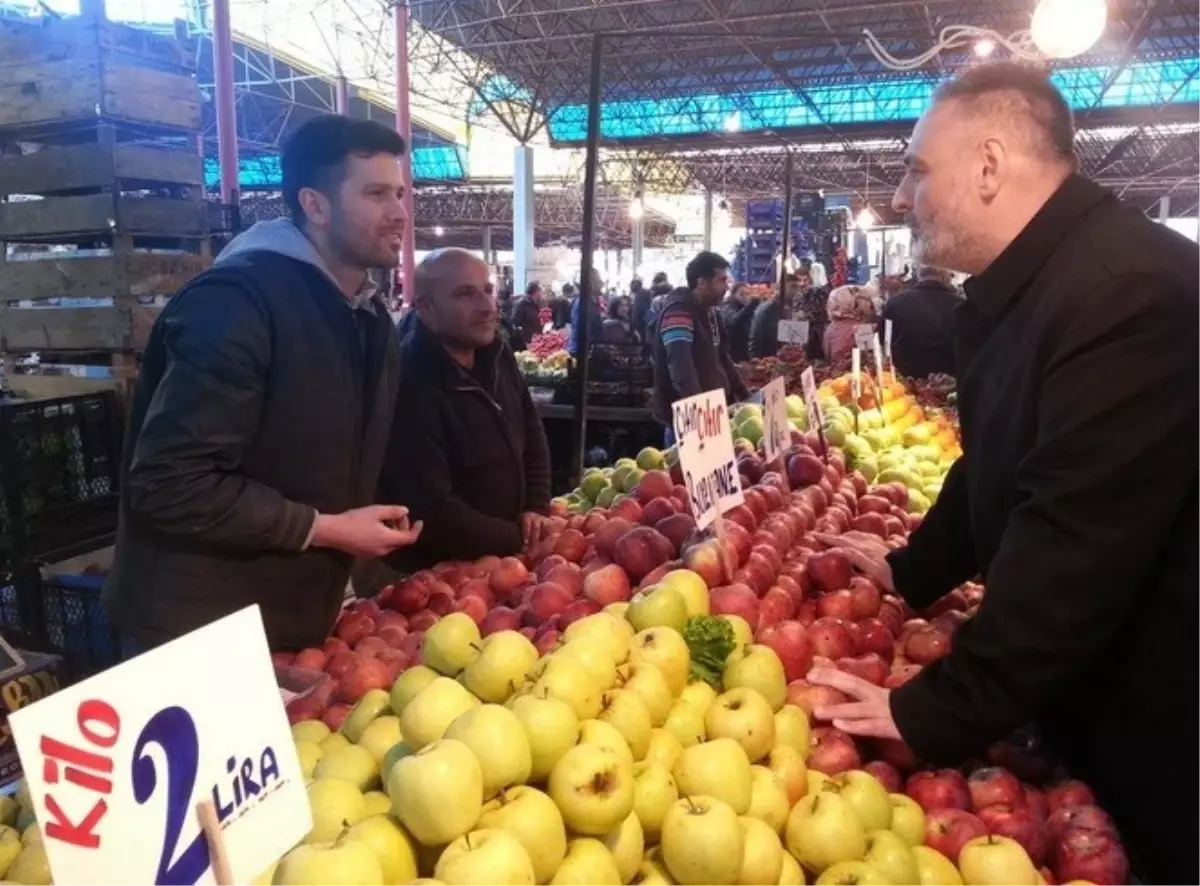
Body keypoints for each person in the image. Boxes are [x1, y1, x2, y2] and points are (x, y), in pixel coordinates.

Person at [807, 61, 1200, 883]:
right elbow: (997, 460)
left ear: (987, 166)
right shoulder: (1027, 291)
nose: (907, 196)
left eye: (918, 170)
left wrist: (935, 711)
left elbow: (1075, 544)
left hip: (1166, 718)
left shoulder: (1123, 294)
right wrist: (915, 570)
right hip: (1087, 691)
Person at [103, 115, 422, 652]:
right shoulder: (235, 304)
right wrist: (326, 529)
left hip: (287, 623)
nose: (399, 213)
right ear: (314, 205)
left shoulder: (366, 317)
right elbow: (169, 483)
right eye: (375, 194)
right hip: (194, 635)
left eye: (399, 193)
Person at [377, 248, 551, 572]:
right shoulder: (410, 384)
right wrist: (517, 538)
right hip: (436, 576)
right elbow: (433, 510)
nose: (487, 307)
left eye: (488, 290)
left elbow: (531, 430)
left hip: (505, 564)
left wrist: (536, 506)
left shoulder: (498, 355)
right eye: (465, 294)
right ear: (426, 309)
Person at [652, 251, 750, 440]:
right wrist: (700, 412)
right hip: (687, 423)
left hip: (713, 413)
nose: (727, 287)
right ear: (702, 282)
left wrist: (743, 394)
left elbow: (722, 356)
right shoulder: (678, 313)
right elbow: (681, 370)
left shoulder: (712, 312)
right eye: (721, 281)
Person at [878, 265, 961, 378]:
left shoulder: (895, 302)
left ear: (919, 275)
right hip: (947, 383)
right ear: (945, 276)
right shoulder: (960, 305)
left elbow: (883, 340)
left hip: (903, 382)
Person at [749, 271, 810, 359]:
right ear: (781, 287)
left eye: (798, 287)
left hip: (789, 360)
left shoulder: (797, 308)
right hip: (769, 360)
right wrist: (757, 361)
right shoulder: (766, 309)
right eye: (793, 287)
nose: (796, 291)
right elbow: (755, 340)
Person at [822, 284, 873, 364]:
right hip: (855, 374)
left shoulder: (831, 327)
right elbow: (869, 361)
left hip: (834, 373)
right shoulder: (863, 329)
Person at [720, 282, 758, 362]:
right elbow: (734, 320)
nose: (745, 297)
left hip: (744, 351)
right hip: (732, 353)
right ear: (733, 295)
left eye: (747, 294)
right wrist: (751, 305)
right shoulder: (727, 306)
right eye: (741, 294)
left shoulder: (746, 308)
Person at [568, 276, 604, 356]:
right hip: (581, 353)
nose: (602, 283)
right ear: (591, 284)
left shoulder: (590, 302)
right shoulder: (583, 303)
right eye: (598, 280)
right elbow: (580, 331)